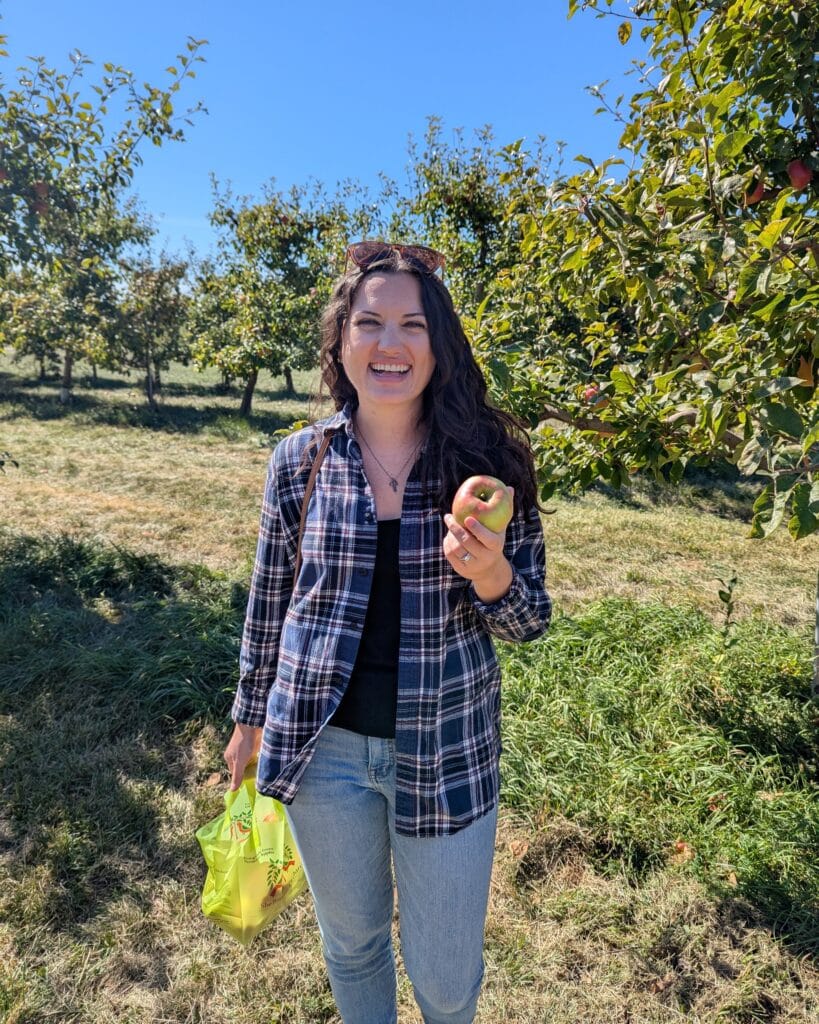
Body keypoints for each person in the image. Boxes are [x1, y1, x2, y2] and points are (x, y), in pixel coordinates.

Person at [223, 241, 551, 1024]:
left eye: (412, 324)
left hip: (444, 750)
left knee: (445, 978)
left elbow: (530, 619)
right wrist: (247, 721)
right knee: (352, 946)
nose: (389, 343)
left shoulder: (486, 464)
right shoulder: (300, 461)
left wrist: (490, 574)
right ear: (340, 341)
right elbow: (269, 601)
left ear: (439, 346)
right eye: (368, 323)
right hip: (321, 751)